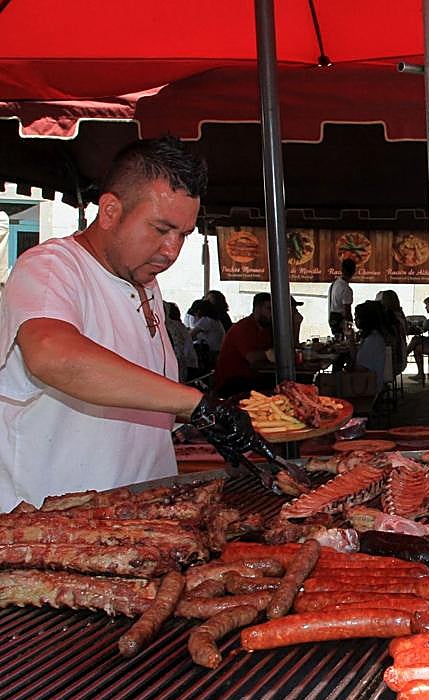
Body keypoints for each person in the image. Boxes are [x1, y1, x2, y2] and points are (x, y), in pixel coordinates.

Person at [0, 136, 266, 511]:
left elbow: (131, 392)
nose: (172, 250)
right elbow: (51, 354)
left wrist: (200, 419)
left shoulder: (146, 283)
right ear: (109, 211)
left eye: (183, 235)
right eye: (160, 230)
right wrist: (196, 404)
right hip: (58, 530)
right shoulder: (51, 267)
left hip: (141, 521)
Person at [212, 291, 303, 397]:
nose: (273, 313)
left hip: (254, 377)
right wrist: (270, 354)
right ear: (258, 309)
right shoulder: (243, 328)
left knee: (293, 384)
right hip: (232, 383)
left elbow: (289, 347)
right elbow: (252, 357)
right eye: (269, 309)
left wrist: (296, 325)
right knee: (284, 388)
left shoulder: (268, 328)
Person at [163, 301, 199, 380]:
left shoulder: (171, 326)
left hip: (185, 365)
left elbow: (178, 351)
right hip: (188, 363)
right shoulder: (179, 325)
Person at [328, 258, 356, 339]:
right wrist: (351, 326)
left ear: (342, 270)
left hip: (332, 318)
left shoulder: (335, 283)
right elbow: (347, 311)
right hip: (341, 321)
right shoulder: (346, 289)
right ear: (353, 272)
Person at [409, 295, 429, 382]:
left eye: (427, 305)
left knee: (415, 339)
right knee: (417, 349)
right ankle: (420, 374)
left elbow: (425, 327)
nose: (425, 307)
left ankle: (404, 355)